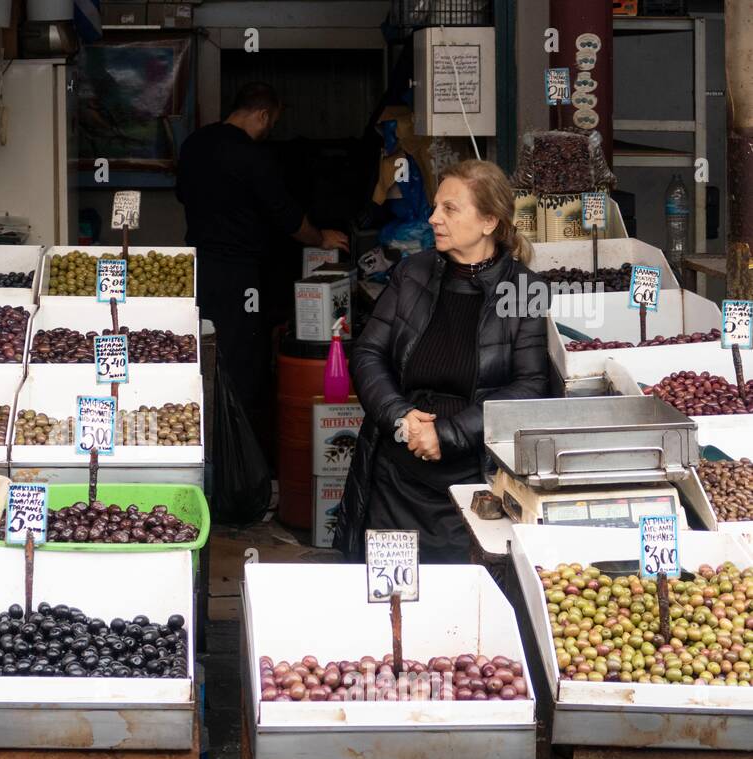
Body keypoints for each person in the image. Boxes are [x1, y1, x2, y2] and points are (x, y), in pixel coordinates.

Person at [333, 159, 550, 563]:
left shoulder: (523, 289)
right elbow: (367, 352)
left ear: (488, 221)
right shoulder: (412, 273)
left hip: (473, 483)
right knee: (390, 607)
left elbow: (531, 386)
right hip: (394, 478)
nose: (433, 218)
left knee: (459, 606)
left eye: (450, 209)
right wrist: (400, 416)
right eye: (435, 206)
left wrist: (447, 434)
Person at [176, 83, 347, 407]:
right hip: (239, 278)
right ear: (264, 114)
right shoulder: (254, 156)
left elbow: (182, 194)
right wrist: (321, 237)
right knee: (241, 361)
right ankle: (239, 446)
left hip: (196, 270)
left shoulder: (194, 143)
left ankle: (205, 431)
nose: (271, 129)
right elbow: (288, 219)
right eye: (273, 122)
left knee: (201, 349)